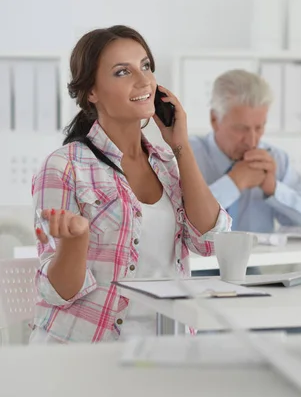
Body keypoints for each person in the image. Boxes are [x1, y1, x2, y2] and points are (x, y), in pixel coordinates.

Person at [30, 25, 230, 344]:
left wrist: (181, 146)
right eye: (123, 72)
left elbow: (212, 243)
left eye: (146, 66)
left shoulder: (167, 163)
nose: (144, 81)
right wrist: (75, 241)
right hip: (85, 349)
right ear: (92, 92)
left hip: (168, 341)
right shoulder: (64, 166)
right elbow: (58, 294)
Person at [189, 69, 301, 233]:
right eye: (241, 129)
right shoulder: (185, 155)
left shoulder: (275, 159)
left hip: (258, 259)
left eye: (259, 127)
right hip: (200, 259)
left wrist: (274, 189)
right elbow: (178, 221)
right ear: (215, 120)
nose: (252, 141)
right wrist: (234, 183)